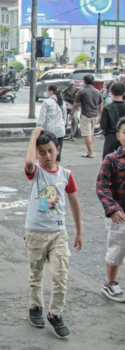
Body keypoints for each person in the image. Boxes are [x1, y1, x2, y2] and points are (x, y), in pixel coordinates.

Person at [24, 128, 82, 338]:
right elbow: (29, 162)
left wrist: (79, 231)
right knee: (36, 274)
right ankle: (35, 307)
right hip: (35, 232)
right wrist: (33, 137)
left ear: (57, 149)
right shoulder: (36, 172)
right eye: (42, 152)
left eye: (50, 151)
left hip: (58, 233)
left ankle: (55, 313)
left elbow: (74, 202)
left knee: (60, 275)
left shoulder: (65, 174)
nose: (46, 156)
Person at [96, 117, 125, 302]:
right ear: (118, 135)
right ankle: (110, 283)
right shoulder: (111, 159)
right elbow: (102, 185)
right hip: (119, 215)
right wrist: (113, 209)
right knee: (117, 249)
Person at [71, 75, 103, 158]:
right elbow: (101, 104)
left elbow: (75, 104)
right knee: (91, 133)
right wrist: (101, 115)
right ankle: (90, 151)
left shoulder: (82, 91)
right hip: (95, 115)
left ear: (84, 81)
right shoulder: (98, 91)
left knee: (87, 134)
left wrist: (71, 114)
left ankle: (90, 152)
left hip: (86, 115)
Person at [37, 84, 67, 162]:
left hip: (50, 131)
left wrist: (38, 127)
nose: (45, 92)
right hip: (60, 130)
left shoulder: (47, 102)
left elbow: (42, 117)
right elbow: (65, 116)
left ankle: (49, 168)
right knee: (58, 151)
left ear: (51, 92)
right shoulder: (62, 102)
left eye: (46, 91)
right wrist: (64, 125)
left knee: (48, 151)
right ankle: (57, 169)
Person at [100, 82, 125, 158]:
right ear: (124, 93)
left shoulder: (107, 108)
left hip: (110, 136)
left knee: (107, 159)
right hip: (124, 134)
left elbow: (103, 125)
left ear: (112, 92)